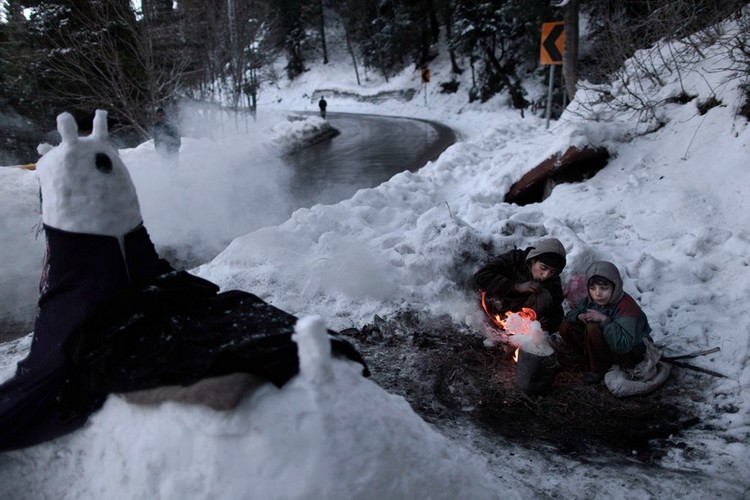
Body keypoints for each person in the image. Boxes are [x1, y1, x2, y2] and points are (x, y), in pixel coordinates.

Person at [558, 261, 652, 385]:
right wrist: (579, 316)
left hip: (631, 352)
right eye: (592, 288)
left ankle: (599, 370)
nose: (597, 293)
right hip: (606, 347)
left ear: (615, 286)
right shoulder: (590, 301)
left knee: (593, 327)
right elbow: (569, 316)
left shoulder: (626, 307)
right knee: (567, 326)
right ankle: (586, 359)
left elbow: (624, 345)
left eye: (604, 288)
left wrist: (605, 321)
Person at [471, 237, 567, 333]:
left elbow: (557, 310)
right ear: (533, 259)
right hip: (496, 306)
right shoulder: (515, 259)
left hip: (520, 321)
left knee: (544, 296)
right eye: (543, 268)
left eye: (552, 272)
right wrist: (515, 287)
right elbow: (481, 275)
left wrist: (550, 322)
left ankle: (520, 333)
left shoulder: (553, 280)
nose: (546, 275)